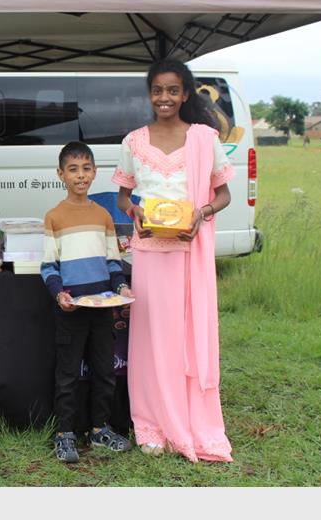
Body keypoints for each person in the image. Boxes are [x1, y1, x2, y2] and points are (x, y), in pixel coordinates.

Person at [112, 58, 234, 463]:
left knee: (186, 337)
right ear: (150, 94)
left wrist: (203, 213)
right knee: (150, 338)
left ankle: (191, 420)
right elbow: (124, 197)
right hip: (149, 254)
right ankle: (151, 422)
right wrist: (135, 213)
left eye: (172, 90)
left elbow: (223, 194)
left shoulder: (204, 138)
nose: (164, 97)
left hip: (188, 253)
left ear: (185, 94)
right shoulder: (133, 141)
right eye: (157, 90)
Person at [41, 141, 134, 463]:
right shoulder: (54, 216)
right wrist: (60, 295)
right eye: (73, 169)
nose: (80, 176)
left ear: (95, 172)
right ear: (61, 174)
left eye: (86, 168)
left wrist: (121, 287)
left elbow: (113, 261)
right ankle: (65, 434)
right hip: (70, 309)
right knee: (67, 374)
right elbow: (49, 266)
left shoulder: (103, 214)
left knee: (104, 372)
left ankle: (99, 429)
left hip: (103, 310)